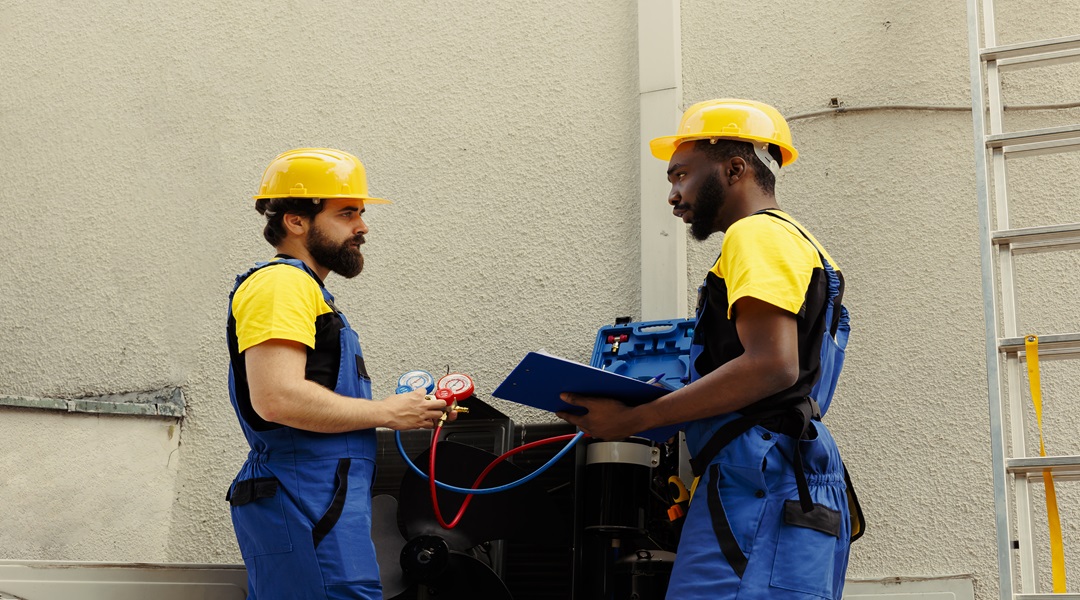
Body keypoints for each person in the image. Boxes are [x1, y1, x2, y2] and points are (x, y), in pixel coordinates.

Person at [557, 99, 858, 599]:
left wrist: (632, 422)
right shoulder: (800, 243)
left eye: (680, 176)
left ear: (734, 168)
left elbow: (771, 367)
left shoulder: (754, 235)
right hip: (789, 473)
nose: (673, 196)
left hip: (756, 480)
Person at [225, 148, 450, 599]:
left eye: (361, 214)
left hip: (324, 503)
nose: (362, 227)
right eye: (347, 214)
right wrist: (386, 411)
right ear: (295, 220)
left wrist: (407, 411)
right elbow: (277, 398)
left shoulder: (308, 291)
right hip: (304, 498)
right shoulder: (281, 285)